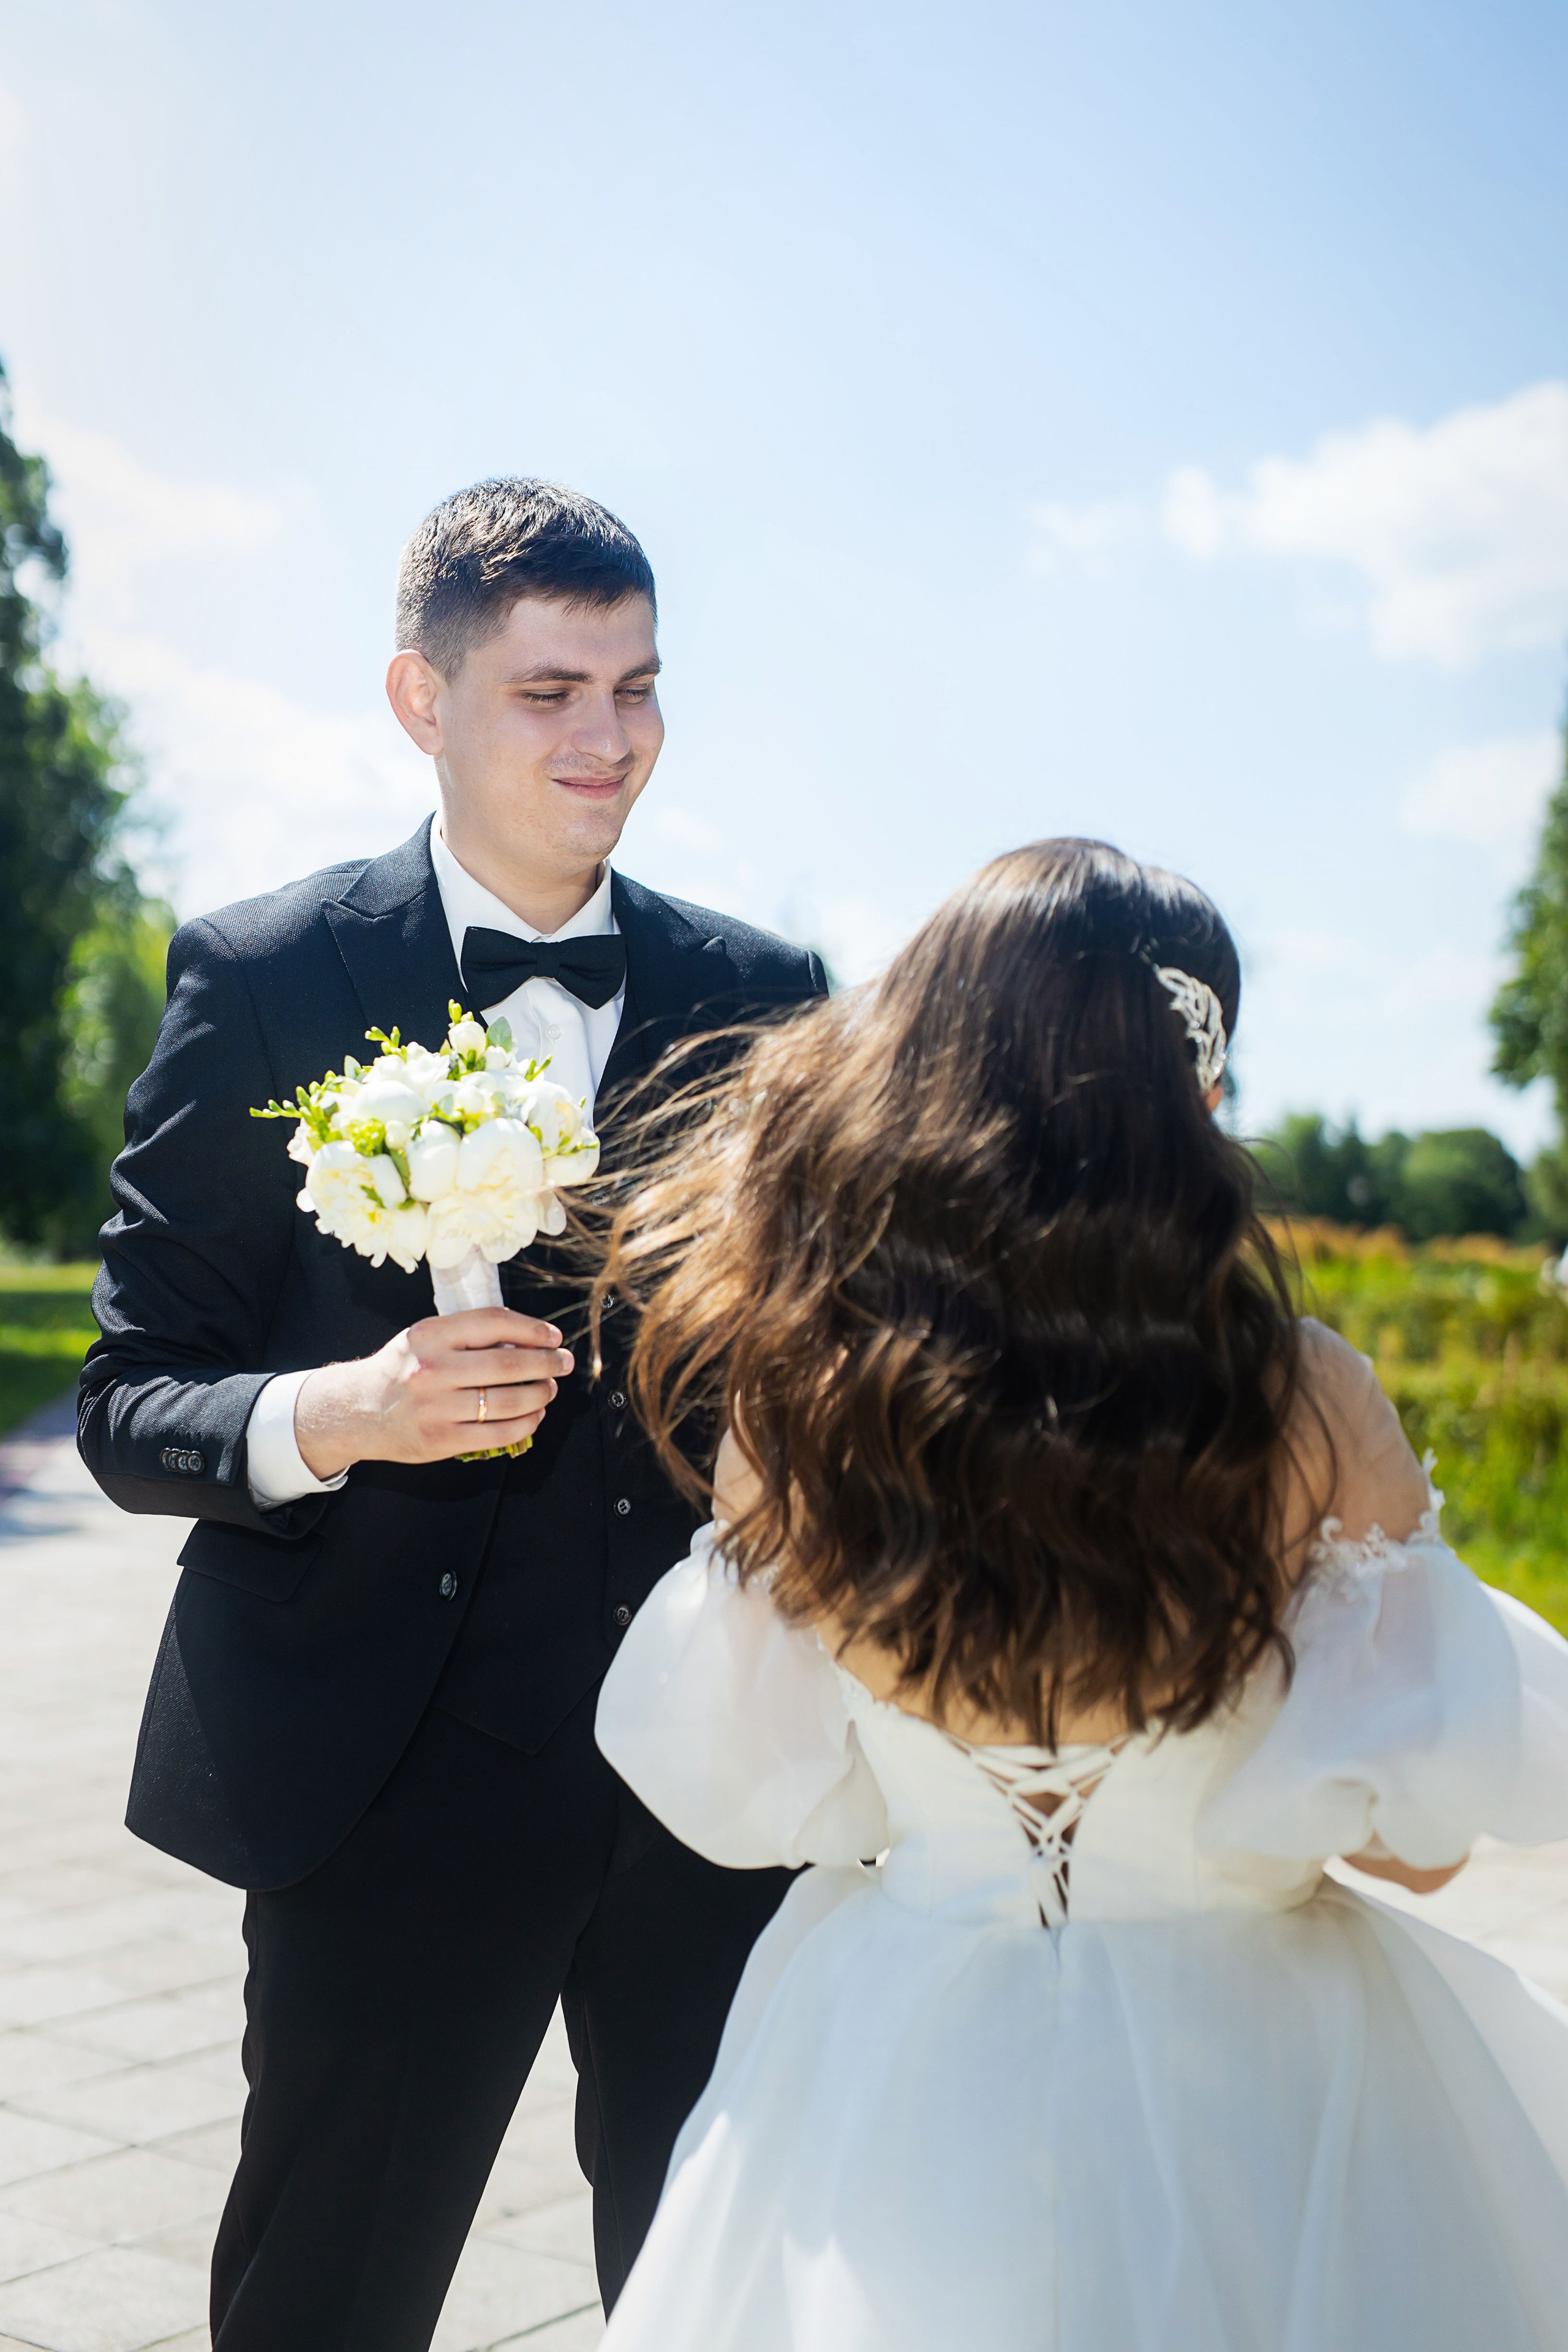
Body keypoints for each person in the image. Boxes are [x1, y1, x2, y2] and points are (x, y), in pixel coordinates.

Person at [590, 837, 1568, 2351]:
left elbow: (748, 1795)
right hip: (1263, 2065)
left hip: (894, 2053)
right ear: (1192, 1098)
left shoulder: (802, 1396)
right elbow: (1420, 1845)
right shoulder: (1307, 1405)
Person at [78, 478, 826, 2350]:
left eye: (639, 689)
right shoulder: (267, 978)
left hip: (709, 1787)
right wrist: (339, 1411)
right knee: (326, 2301)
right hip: (385, 1785)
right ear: (422, 698)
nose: (609, 740)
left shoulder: (768, 1000)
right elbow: (124, 1399)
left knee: (723, 2300)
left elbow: (819, 1368)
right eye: (552, 691)